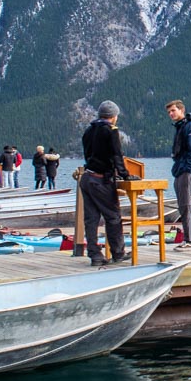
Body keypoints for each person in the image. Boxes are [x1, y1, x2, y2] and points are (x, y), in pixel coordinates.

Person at [81, 100, 131, 266]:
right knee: (113, 217)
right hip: (101, 180)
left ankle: (95, 255)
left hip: (87, 177)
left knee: (91, 219)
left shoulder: (89, 130)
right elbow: (117, 155)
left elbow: (87, 155)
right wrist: (125, 175)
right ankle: (118, 253)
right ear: (114, 116)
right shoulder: (111, 131)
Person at [166, 99, 191, 250]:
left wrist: (190, 170)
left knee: (185, 206)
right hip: (180, 169)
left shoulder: (190, 126)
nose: (171, 114)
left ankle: (190, 240)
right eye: (169, 112)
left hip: (186, 171)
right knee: (184, 206)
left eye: (173, 111)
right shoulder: (180, 127)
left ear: (181, 110)